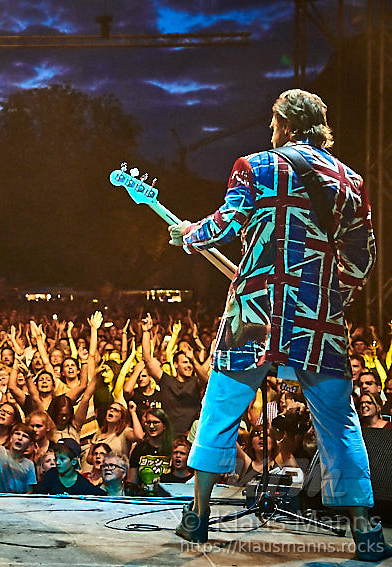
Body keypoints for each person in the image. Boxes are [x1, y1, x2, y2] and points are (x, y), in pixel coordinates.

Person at [168, 89, 390, 560]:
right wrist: (332, 295)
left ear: (285, 124)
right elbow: (364, 257)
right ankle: (366, 530)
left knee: (222, 409)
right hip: (319, 323)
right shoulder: (351, 181)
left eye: (274, 122)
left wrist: (190, 236)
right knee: (339, 423)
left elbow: (224, 225)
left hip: (255, 316)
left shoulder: (256, 166)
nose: (271, 130)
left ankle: (199, 516)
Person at [0, 400, 36, 494]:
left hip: (16, 506)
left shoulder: (29, 465)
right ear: (10, 438)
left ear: (30, 444)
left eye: (25, 436)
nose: (20, 438)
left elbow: (29, 492)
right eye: (17, 434)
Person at [30, 439, 103, 496]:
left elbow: (101, 496)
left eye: (62, 459)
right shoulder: (50, 476)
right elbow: (38, 498)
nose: (57, 462)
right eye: (56, 458)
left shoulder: (83, 484)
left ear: (73, 461)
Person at [128, 408, 173, 495]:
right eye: (148, 423)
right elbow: (132, 482)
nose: (151, 426)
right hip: (143, 500)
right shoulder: (139, 449)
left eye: (155, 422)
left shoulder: (173, 449)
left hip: (168, 500)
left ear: (164, 425)